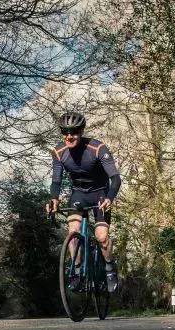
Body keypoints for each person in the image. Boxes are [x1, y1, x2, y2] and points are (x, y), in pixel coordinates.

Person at [46, 111, 121, 292]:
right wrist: (54, 199)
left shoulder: (97, 148)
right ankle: (77, 271)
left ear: (81, 131)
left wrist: (110, 198)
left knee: (102, 237)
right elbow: (56, 180)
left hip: (101, 193)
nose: (69, 136)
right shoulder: (58, 152)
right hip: (79, 193)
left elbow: (116, 179)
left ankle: (110, 268)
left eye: (74, 132)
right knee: (73, 232)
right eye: (65, 132)